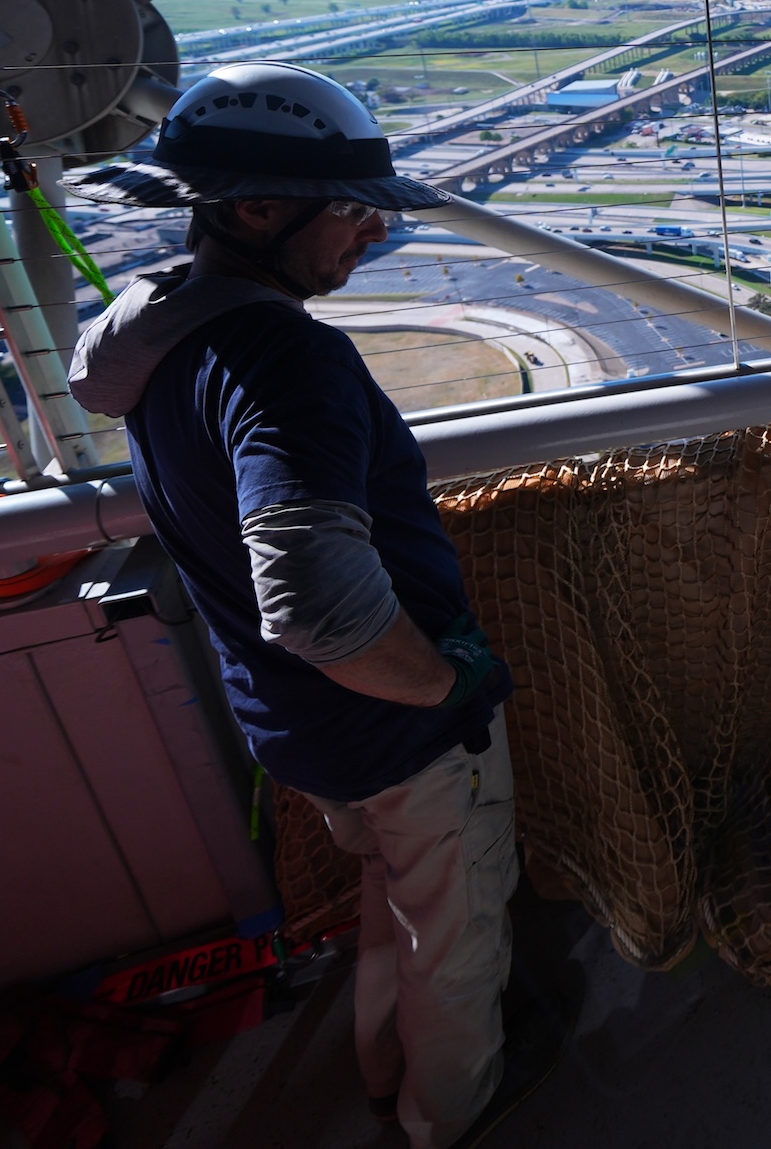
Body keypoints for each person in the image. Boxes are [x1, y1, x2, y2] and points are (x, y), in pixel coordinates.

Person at [66, 63, 520, 1149]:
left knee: (394, 911)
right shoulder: (285, 360)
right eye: (355, 212)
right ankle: (445, 1117)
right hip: (392, 727)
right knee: (455, 944)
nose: (371, 235)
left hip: (298, 727)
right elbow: (322, 609)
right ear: (258, 209)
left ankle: (379, 1076)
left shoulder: (170, 335)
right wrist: (446, 682)